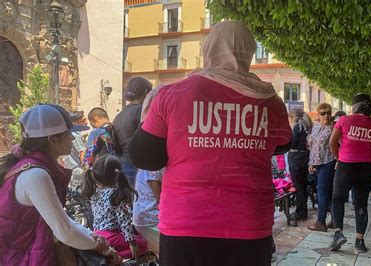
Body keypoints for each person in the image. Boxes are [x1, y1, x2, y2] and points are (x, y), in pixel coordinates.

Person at [128, 21, 292, 266]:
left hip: (186, 225)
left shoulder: (171, 94)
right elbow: (282, 143)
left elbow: (144, 157)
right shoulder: (270, 100)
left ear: (209, 49)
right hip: (249, 224)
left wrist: (148, 114)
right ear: (248, 52)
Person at [0, 104, 121, 265]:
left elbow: (63, 222)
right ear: (52, 140)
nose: (72, 138)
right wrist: (103, 248)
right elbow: (65, 231)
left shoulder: (34, 168)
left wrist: (97, 240)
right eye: (68, 134)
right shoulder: (36, 175)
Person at [328, 93, 371, 253]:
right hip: (368, 167)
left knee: (338, 198)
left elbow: (332, 143)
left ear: (354, 106)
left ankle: (338, 234)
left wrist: (340, 158)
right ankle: (359, 242)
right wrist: (369, 158)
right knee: (361, 203)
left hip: (346, 166)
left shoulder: (344, 120)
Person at [82, 154, 147, 259]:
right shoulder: (116, 194)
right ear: (118, 174)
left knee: (137, 237)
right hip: (112, 237)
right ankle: (110, 258)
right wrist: (132, 243)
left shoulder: (95, 193)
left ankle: (107, 253)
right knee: (143, 245)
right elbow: (124, 221)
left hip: (98, 235)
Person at [133, 87, 162, 256]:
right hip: (149, 217)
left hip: (145, 216)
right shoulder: (154, 156)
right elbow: (158, 194)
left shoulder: (150, 151)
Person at [113, 77, 152, 184]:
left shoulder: (119, 116)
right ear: (146, 92)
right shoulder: (142, 112)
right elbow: (147, 139)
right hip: (139, 167)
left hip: (123, 164)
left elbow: (116, 145)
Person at [306, 103, 336, 232]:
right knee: (325, 192)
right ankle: (335, 219)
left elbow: (338, 146)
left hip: (329, 163)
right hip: (317, 164)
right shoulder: (316, 126)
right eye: (323, 113)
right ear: (318, 114)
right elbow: (312, 145)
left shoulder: (334, 128)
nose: (326, 115)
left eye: (328, 113)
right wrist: (311, 162)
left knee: (322, 191)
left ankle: (321, 222)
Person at [288, 108, 312, 220]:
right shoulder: (307, 126)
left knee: (299, 186)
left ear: (292, 117)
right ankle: (303, 209)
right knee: (303, 185)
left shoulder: (298, 126)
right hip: (305, 158)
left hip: (296, 159)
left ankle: (301, 212)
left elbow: (292, 143)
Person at [62, 111, 89, 189]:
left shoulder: (72, 133)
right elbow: (82, 153)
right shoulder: (76, 135)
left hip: (72, 168)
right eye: (83, 120)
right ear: (76, 122)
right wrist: (87, 169)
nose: (86, 123)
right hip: (77, 169)